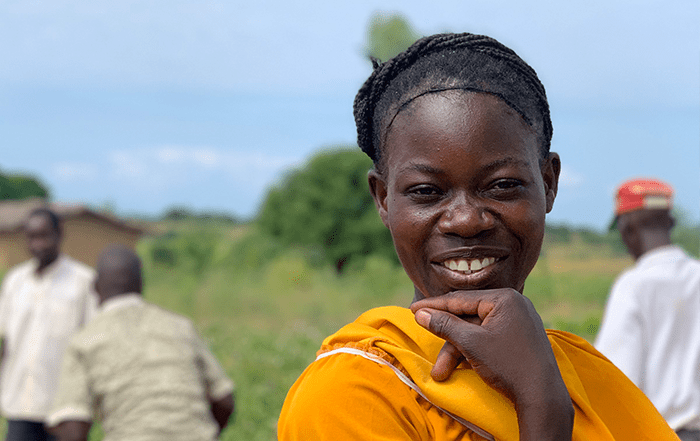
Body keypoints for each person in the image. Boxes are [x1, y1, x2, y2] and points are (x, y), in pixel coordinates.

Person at [278, 33, 679, 440]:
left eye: (502, 185)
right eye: (426, 191)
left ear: (548, 183)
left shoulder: (589, 376)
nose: (467, 221)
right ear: (383, 198)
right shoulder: (353, 394)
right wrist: (542, 408)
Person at [46, 245, 235, 441]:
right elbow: (224, 400)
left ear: (95, 287)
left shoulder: (84, 342)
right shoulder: (180, 327)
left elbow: (73, 428)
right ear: (141, 283)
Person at [595, 178, 700, 440]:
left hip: (660, 433)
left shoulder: (633, 285)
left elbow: (617, 380)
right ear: (671, 222)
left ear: (626, 229)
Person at [0, 208, 96, 441]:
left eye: (44, 236)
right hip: (19, 404)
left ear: (59, 234)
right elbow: (6, 340)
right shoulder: (15, 281)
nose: (38, 244)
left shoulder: (83, 281)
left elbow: (94, 344)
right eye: (32, 237)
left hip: (65, 409)